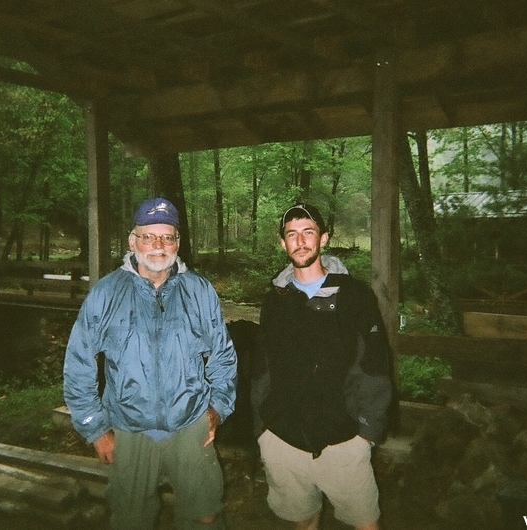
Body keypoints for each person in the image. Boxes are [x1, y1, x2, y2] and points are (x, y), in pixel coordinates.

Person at [63, 197, 237, 530]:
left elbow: (223, 355)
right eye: (148, 236)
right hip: (129, 427)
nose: (158, 245)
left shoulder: (200, 291)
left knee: (205, 514)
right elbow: (79, 362)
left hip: (190, 423)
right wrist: (95, 427)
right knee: (130, 519)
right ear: (133, 241)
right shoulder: (106, 293)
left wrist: (217, 408)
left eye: (167, 237)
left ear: (177, 243)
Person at [252, 203, 393, 530]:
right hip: (284, 437)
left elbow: (375, 364)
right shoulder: (276, 300)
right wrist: (262, 428)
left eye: (308, 232)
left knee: (366, 524)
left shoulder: (355, 296)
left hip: (344, 439)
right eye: (292, 234)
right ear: (283, 243)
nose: (300, 241)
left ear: (323, 238)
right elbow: (262, 367)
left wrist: (368, 432)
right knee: (304, 521)